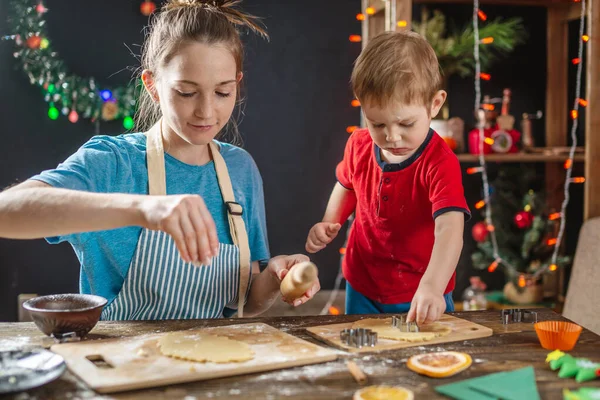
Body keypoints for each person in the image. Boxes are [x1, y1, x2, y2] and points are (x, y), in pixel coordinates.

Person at [0, 0, 320, 320]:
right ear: (153, 86)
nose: (206, 112)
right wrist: (143, 210)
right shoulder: (114, 163)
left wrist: (276, 278)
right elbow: (6, 211)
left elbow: (247, 301)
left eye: (222, 92)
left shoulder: (241, 169)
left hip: (213, 359)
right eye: (186, 92)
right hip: (124, 362)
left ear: (236, 84)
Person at [305, 31, 469, 324]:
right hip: (363, 281)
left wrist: (432, 286)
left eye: (406, 123)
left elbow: (450, 230)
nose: (391, 137)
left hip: (421, 289)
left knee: (425, 358)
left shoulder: (440, 163)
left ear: (434, 104)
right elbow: (347, 185)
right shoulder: (359, 144)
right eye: (377, 123)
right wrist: (330, 220)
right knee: (363, 353)